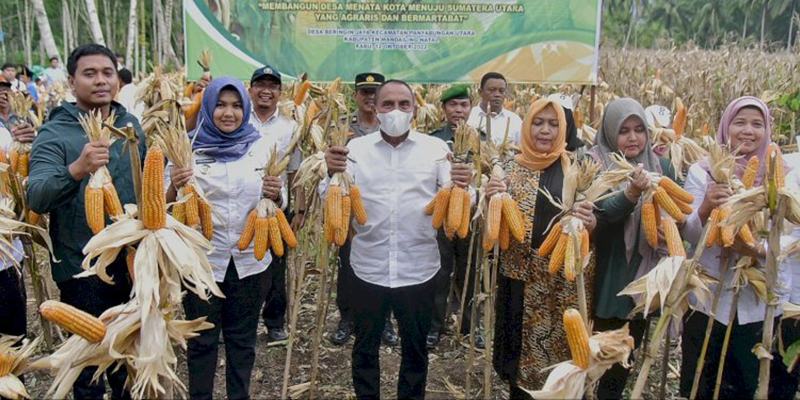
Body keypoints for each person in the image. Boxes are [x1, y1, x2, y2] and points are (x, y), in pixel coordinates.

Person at [323, 79, 473, 399]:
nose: (396, 111)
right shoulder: (354, 151)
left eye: (404, 105)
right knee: (364, 349)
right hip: (367, 266)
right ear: (375, 110)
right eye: (388, 104)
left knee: (415, 351)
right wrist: (329, 174)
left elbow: (456, 199)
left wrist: (465, 184)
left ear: (415, 110)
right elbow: (333, 201)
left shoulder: (436, 150)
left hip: (418, 267)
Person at [26, 43, 143, 399]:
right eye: (89, 74)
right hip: (83, 269)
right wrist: (77, 168)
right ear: (72, 81)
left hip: (134, 266)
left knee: (130, 367)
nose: (100, 81)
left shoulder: (129, 125)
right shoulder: (55, 133)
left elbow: (143, 191)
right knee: (89, 372)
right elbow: (37, 196)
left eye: (107, 73)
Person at [169, 77, 285, 400]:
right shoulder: (188, 148)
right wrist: (174, 184)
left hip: (251, 262)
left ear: (245, 108)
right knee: (202, 342)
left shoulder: (261, 146)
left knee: (242, 341)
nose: (228, 113)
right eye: (220, 104)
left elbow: (280, 198)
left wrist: (277, 195)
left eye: (236, 106)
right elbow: (164, 206)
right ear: (208, 107)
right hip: (201, 263)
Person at [678, 96, 800, 399]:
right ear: (726, 126)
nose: (748, 131)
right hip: (709, 301)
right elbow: (689, 232)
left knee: (752, 386)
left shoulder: (788, 176)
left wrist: (758, 249)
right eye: (740, 122)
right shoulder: (703, 172)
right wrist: (706, 206)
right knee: (704, 386)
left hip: (761, 304)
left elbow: (795, 237)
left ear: (768, 130)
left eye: (757, 124)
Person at [492, 98, 597, 398]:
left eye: (553, 124)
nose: (545, 130)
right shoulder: (510, 168)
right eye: (538, 122)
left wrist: (590, 222)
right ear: (527, 126)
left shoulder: (579, 169)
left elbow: (597, 217)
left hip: (560, 281)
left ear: (564, 129)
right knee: (518, 358)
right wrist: (491, 199)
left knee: (560, 359)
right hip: (518, 278)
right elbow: (493, 225)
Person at [589, 98, 677, 399]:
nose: (633, 138)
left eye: (639, 130)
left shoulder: (662, 166)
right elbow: (600, 215)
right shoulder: (593, 163)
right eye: (624, 130)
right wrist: (632, 192)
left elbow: (678, 214)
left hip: (641, 276)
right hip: (604, 272)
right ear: (611, 132)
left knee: (623, 360)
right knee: (594, 356)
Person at [330, 72, 399, 348]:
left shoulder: (394, 128)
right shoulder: (343, 128)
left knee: (388, 265)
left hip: (385, 211)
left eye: (375, 93)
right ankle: (347, 319)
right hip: (349, 210)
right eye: (364, 92)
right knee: (348, 266)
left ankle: (386, 322)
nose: (369, 98)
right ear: (355, 96)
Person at [246, 65, 303, 343]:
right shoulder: (239, 121)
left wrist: (299, 208)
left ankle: (275, 322)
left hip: (277, 206)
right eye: (261, 85)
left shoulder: (289, 127)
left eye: (272, 86)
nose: (266, 90)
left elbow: (294, 171)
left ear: (280, 93)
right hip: (244, 205)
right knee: (242, 263)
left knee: (276, 266)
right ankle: (239, 318)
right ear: (251, 88)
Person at [427, 84, 482, 349]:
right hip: (442, 217)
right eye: (453, 105)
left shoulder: (483, 140)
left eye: (463, 105)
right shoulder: (433, 141)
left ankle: (472, 327)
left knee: (471, 271)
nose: (458, 110)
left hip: (473, 217)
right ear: (444, 108)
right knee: (440, 272)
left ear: (471, 108)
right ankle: (435, 326)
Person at [467, 72, 522, 146]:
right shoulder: (468, 117)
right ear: (480, 92)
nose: (497, 94)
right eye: (492, 90)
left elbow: (521, 149)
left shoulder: (515, 120)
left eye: (501, 91)